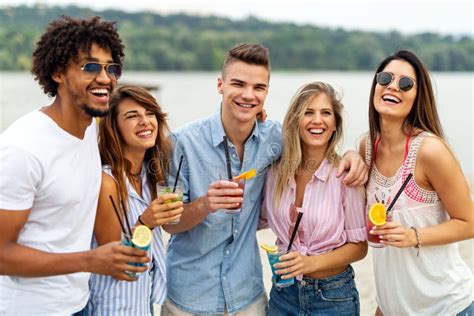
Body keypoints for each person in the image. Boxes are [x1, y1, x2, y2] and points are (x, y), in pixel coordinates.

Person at [161, 43, 368, 315]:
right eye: (238, 84)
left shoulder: (274, 140)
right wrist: (205, 204)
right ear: (220, 84)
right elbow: (170, 224)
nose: (248, 95)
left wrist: (354, 154)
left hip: (248, 297)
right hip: (190, 297)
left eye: (258, 88)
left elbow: (314, 141)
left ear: (266, 92)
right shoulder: (181, 144)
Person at [0, 17, 149, 315]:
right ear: (57, 72)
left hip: (78, 304)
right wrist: (91, 260)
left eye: (111, 68)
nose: (106, 78)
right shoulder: (23, 148)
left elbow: (148, 142)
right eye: (90, 67)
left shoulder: (89, 129)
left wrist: (248, 118)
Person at [360, 50, 474, 315]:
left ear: (417, 96)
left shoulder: (430, 151)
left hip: (447, 306)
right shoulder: (366, 147)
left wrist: (413, 236)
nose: (392, 86)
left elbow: (469, 223)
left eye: (405, 84)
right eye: (386, 78)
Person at [260, 82, 367, 315]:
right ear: (296, 120)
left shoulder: (345, 176)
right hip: (283, 294)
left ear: (335, 123)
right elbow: (255, 217)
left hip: (332, 297)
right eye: (308, 112)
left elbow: (359, 247)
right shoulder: (275, 172)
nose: (317, 120)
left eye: (325, 113)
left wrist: (311, 263)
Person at [83, 85, 184, 314]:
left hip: (142, 303)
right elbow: (115, 262)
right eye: (132, 116)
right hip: (111, 305)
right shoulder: (107, 182)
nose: (145, 121)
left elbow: (189, 139)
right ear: (114, 128)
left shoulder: (151, 176)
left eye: (150, 113)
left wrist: (253, 121)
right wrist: (146, 222)